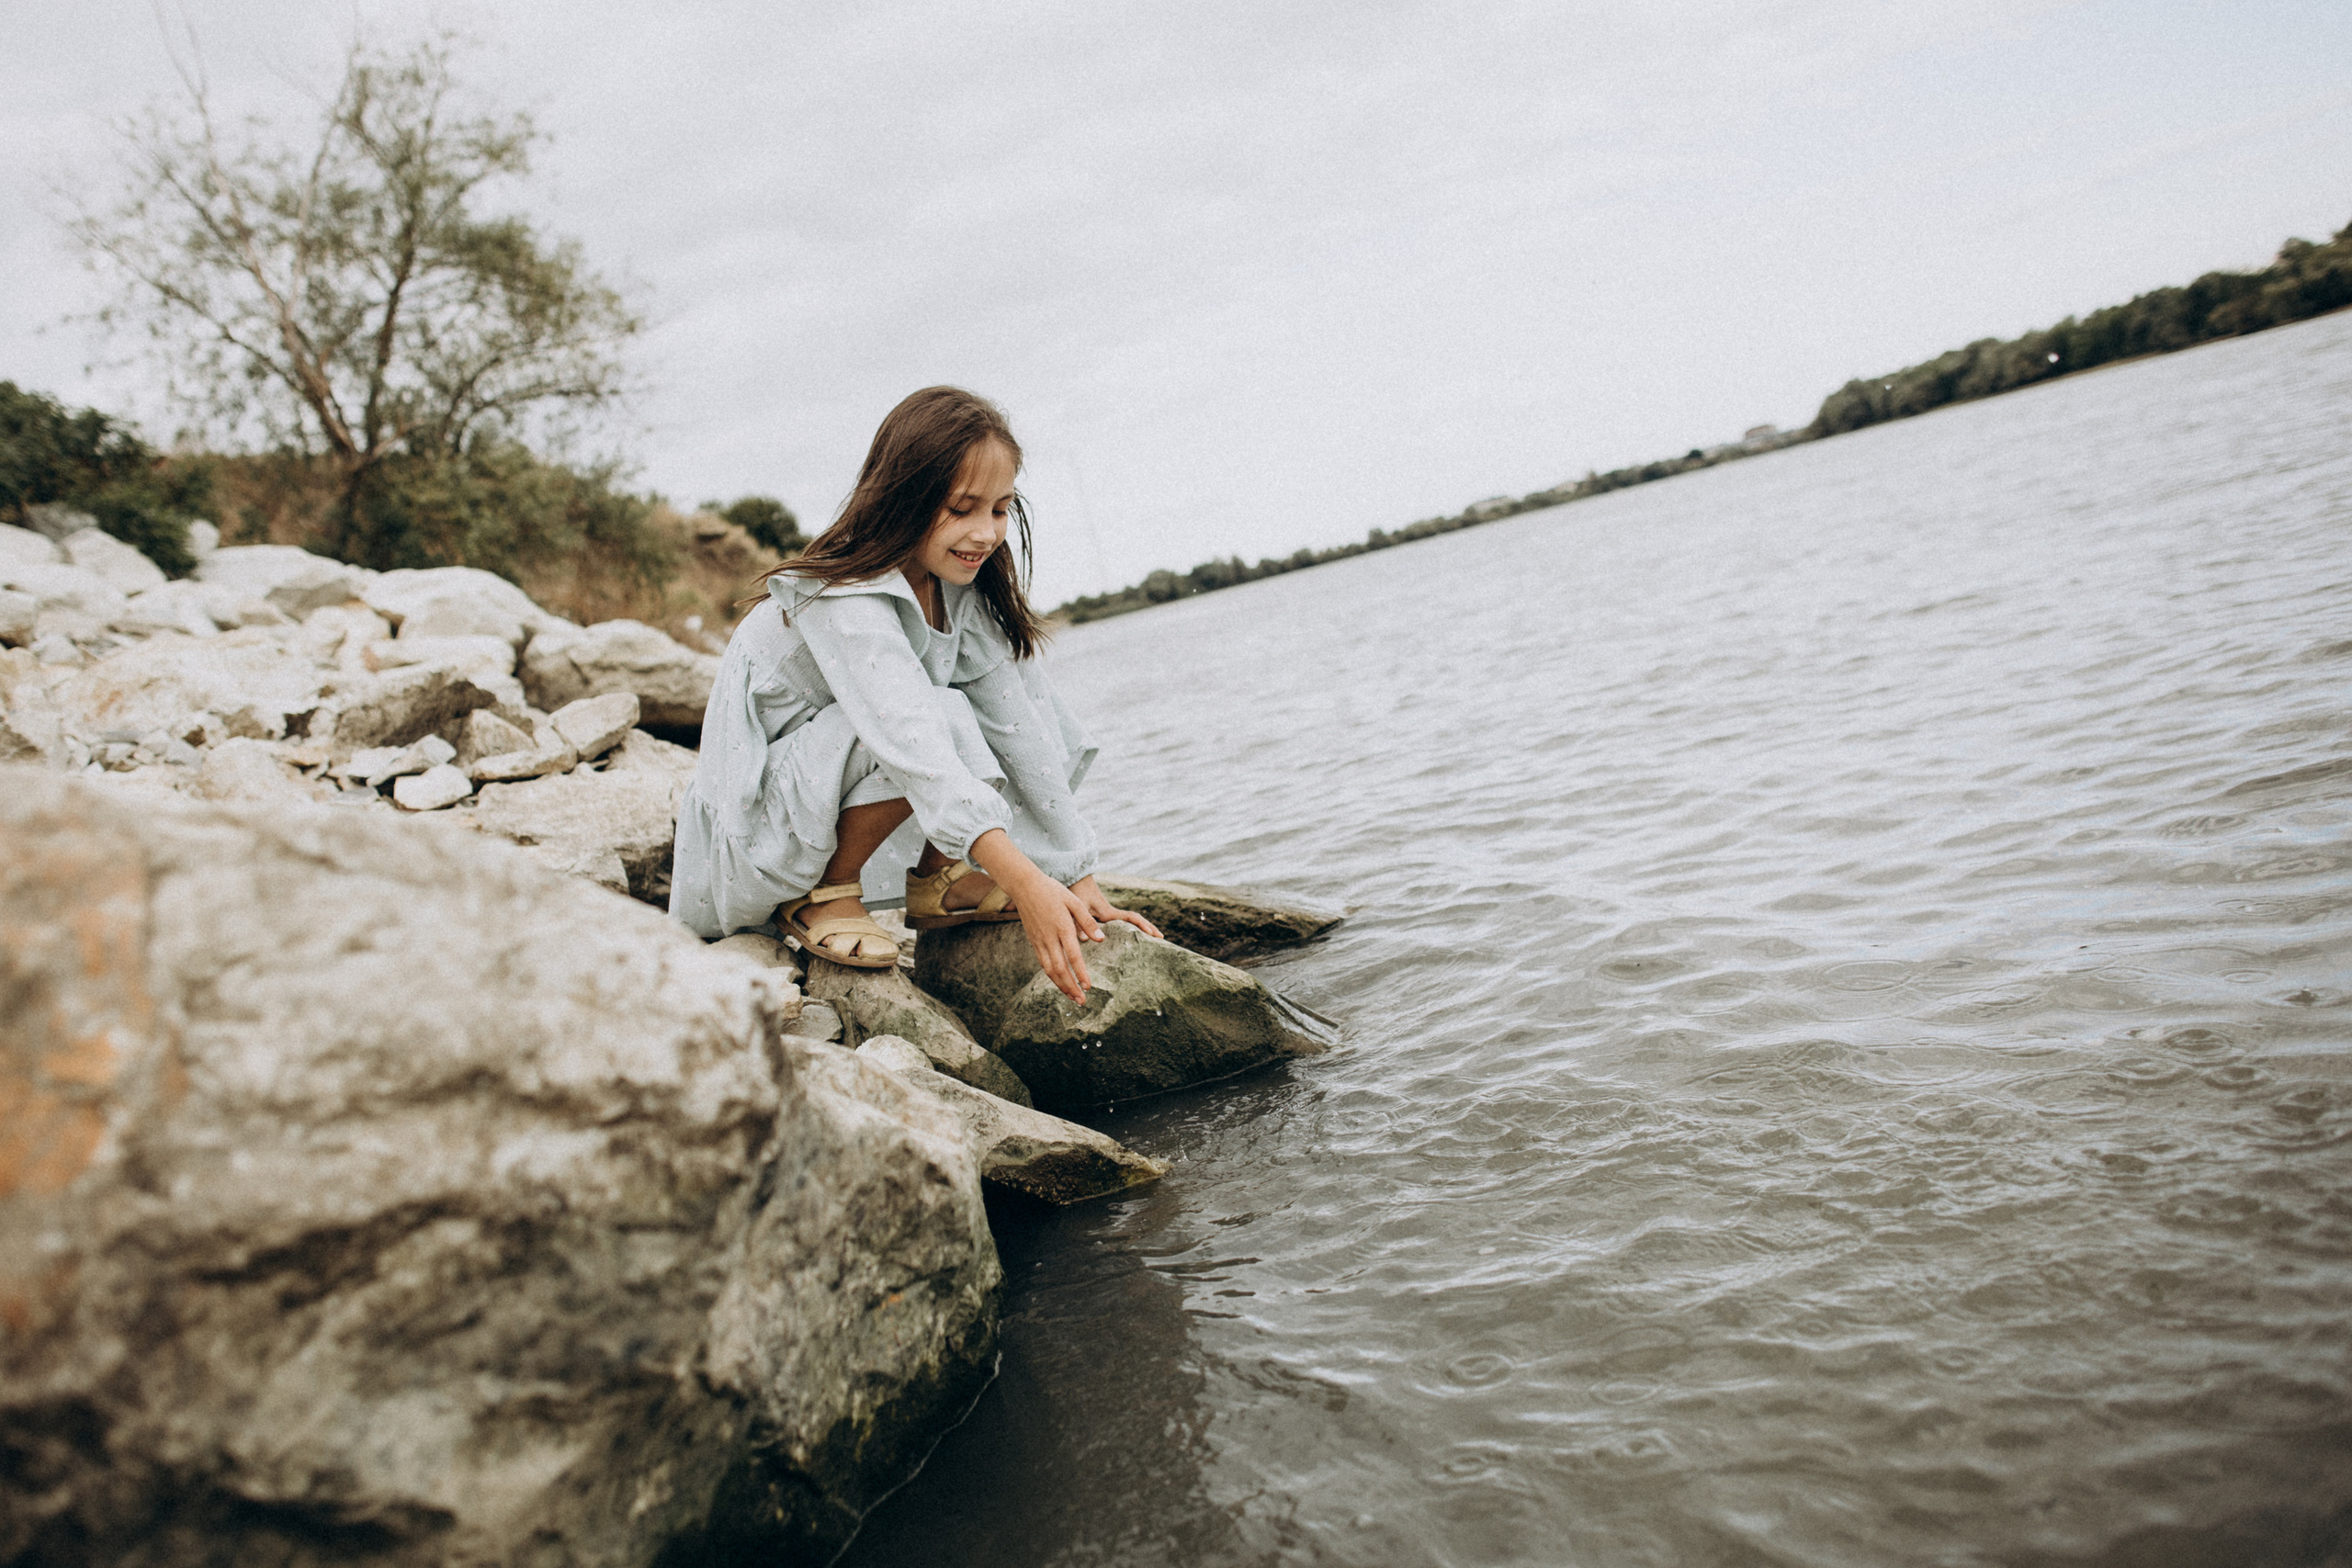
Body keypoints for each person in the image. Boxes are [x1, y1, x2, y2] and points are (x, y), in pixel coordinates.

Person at [669, 386, 1158, 1003]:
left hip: (819, 796)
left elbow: (1017, 727)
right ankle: (823, 894)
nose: (985, 533)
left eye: (1001, 509)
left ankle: (941, 879)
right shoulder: (843, 594)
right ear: (904, 498)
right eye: (962, 509)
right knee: (931, 713)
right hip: (755, 836)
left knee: (1009, 708)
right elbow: (910, 741)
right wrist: (1028, 886)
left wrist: (1073, 875)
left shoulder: (958, 589)